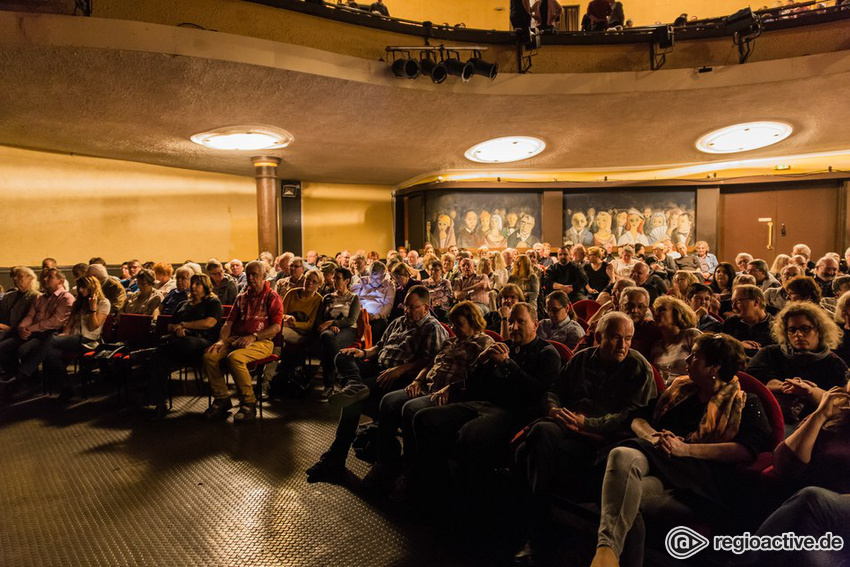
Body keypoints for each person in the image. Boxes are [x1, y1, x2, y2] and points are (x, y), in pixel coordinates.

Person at [590, 333, 772, 567]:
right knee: (621, 455)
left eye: (695, 356)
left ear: (714, 367)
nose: (687, 360)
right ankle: (607, 553)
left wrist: (685, 449)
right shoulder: (681, 391)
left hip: (695, 480)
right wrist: (654, 437)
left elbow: (747, 450)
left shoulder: (744, 402)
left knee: (622, 496)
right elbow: (637, 418)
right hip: (656, 459)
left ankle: (607, 555)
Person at [514, 312, 656, 563]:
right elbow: (554, 390)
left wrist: (588, 423)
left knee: (527, 452)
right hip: (568, 424)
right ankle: (539, 529)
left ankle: (538, 532)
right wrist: (554, 409)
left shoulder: (638, 367)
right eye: (615, 338)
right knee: (541, 432)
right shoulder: (581, 359)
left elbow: (631, 415)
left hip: (604, 439)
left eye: (628, 339)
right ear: (599, 337)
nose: (623, 345)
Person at [306, 286, 448, 483]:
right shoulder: (399, 321)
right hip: (377, 365)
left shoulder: (432, 328)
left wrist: (400, 369)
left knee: (352, 402)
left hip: (399, 377)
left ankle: (335, 458)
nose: (407, 310)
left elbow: (430, 361)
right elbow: (380, 347)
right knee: (342, 355)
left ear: (426, 307)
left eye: (413, 307)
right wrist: (363, 353)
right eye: (405, 306)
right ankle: (355, 385)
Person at [413, 303, 560, 491]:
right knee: (424, 418)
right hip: (483, 403)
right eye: (511, 322)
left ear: (535, 325)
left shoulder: (547, 354)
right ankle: (436, 484)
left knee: (470, 433)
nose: (514, 327)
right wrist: (481, 361)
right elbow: (474, 385)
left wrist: (508, 365)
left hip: (514, 413)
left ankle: (470, 494)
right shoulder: (503, 346)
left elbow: (537, 392)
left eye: (521, 322)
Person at [363, 301, 495, 492]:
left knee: (410, 409)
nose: (455, 329)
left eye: (460, 324)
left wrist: (452, 388)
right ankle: (385, 461)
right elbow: (430, 363)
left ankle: (410, 469)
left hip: (449, 394)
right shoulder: (451, 342)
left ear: (473, 322)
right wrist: (417, 381)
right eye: (453, 325)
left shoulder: (483, 343)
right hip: (428, 386)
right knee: (389, 401)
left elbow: (478, 377)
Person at [747, 301, 847, 434]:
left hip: (814, 425)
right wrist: (784, 386)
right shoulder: (770, 353)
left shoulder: (834, 363)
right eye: (792, 330)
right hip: (770, 418)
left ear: (819, 330)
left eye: (805, 329)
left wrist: (810, 390)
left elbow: (840, 403)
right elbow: (752, 380)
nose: (798, 335)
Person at [202, 261, 283, 423]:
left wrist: (254, 336)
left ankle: (248, 403)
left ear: (263, 276)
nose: (251, 278)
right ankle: (222, 398)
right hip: (237, 337)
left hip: (263, 341)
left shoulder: (272, 297)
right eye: (249, 275)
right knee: (210, 355)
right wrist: (220, 341)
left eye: (255, 275)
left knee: (235, 358)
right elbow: (228, 324)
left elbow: (275, 328)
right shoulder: (241, 298)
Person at [147, 273, 222, 419]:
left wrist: (184, 325)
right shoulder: (183, 304)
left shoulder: (213, 303)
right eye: (192, 283)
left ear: (206, 287)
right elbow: (170, 325)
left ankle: (155, 352)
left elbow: (209, 323)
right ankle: (160, 404)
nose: (193, 286)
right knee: (160, 360)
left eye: (197, 284)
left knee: (172, 347)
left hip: (202, 342)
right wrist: (176, 328)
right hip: (179, 344)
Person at [0, 268, 74, 390]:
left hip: (49, 333)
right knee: (3, 347)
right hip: (33, 331)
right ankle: (14, 376)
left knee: (24, 350)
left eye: (50, 277)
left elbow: (54, 322)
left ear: (60, 281)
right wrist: (22, 327)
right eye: (44, 277)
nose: (45, 279)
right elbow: (30, 315)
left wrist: (30, 328)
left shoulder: (66, 298)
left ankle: (27, 380)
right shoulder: (41, 298)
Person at [44, 275, 111, 401]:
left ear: (91, 287)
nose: (80, 290)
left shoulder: (104, 303)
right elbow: (69, 324)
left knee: (48, 340)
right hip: (74, 338)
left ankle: (24, 373)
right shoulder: (78, 302)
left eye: (83, 287)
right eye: (79, 287)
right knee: (51, 352)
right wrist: (63, 335)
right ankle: (67, 388)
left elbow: (92, 327)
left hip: (90, 340)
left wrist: (93, 308)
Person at [316, 267, 361, 397]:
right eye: (333, 277)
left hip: (347, 330)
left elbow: (351, 320)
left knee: (327, 342)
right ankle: (340, 378)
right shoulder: (328, 297)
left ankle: (329, 384)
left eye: (338, 278)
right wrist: (330, 326)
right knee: (327, 337)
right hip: (329, 332)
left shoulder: (353, 298)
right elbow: (320, 320)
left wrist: (333, 323)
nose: (334, 280)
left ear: (347, 281)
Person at [651, 296, 701, 385]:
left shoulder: (691, 335)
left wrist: (679, 381)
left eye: (661, 310)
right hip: (664, 393)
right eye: (655, 311)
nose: (656, 314)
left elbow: (707, 369)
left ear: (677, 314)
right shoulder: (656, 345)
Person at [722, 284, 774, 356]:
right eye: (732, 303)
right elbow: (720, 347)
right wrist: (738, 345)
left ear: (756, 302)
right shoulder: (731, 322)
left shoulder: (776, 326)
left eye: (738, 301)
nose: (733, 307)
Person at [281, 269, 323, 351]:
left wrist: (292, 324)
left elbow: (309, 324)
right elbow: (280, 313)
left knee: (278, 332)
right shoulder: (292, 293)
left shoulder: (319, 300)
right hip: (285, 325)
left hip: (303, 333)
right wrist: (287, 317)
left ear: (319, 285)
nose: (310, 283)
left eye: (314, 282)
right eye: (308, 279)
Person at [352, 261, 394, 341]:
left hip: (378, 318)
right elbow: (354, 299)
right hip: (360, 315)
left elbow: (388, 305)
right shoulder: (361, 282)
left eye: (377, 279)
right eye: (371, 278)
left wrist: (375, 316)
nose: (374, 281)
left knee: (377, 326)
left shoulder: (389, 285)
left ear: (384, 276)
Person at [0, 267, 39, 342]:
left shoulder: (36, 297)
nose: (15, 278)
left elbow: (31, 320)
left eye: (19, 276)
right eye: (14, 276)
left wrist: (10, 329)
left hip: (19, 334)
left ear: (30, 279)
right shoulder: (8, 296)